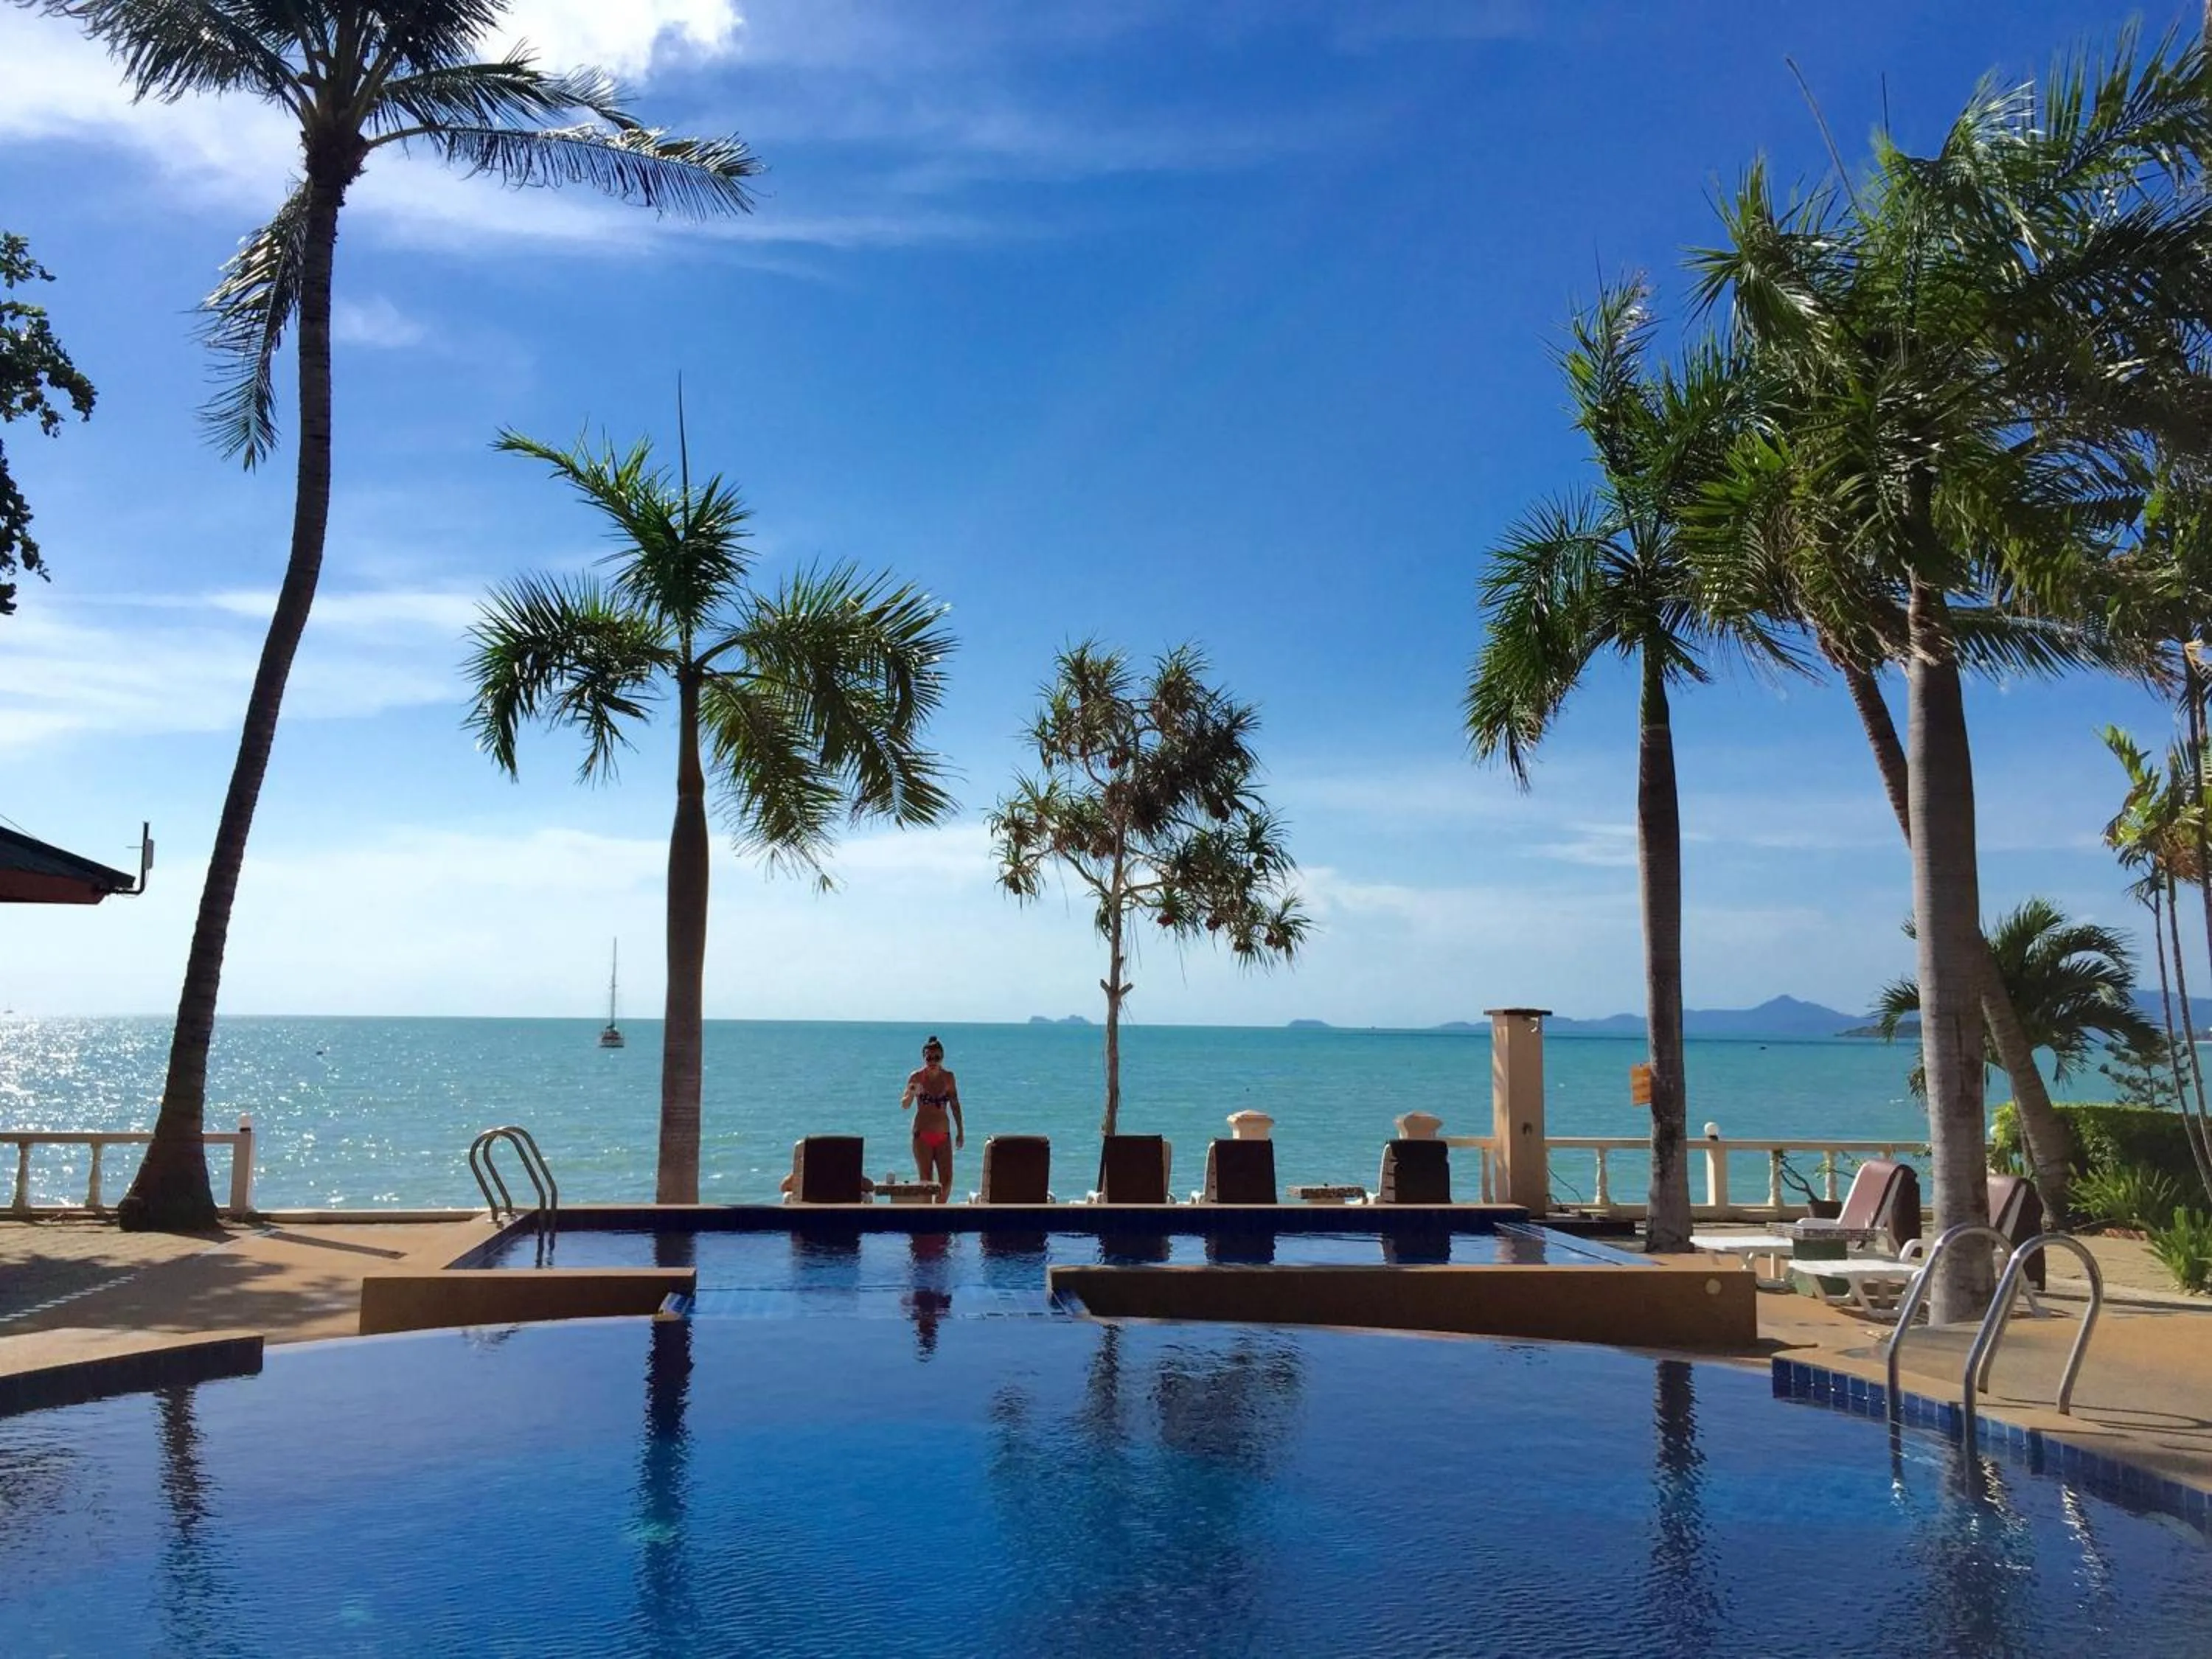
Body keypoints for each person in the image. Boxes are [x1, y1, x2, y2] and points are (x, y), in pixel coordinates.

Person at [900, 1034, 964, 1203]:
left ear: (942, 1058)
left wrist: (960, 1131)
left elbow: (955, 1105)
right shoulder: (916, 1077)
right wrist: (912, 1093)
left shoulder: (948, 1078)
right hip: (922, 1135)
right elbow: (905, 1105)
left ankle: (939, 1212)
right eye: (929, 1057)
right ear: (924, 1058)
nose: (933, 1061)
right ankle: (928, 1221)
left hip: (943, 1134)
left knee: (947, 1181)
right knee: (926, 1182)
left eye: (937, 1057)